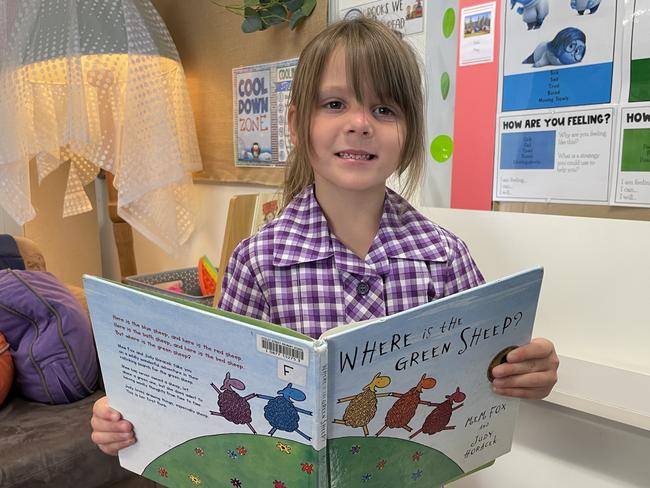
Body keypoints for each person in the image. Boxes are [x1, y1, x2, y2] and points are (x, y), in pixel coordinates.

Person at [90, 17, 559, 457]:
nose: (359, 122)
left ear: (409, 131)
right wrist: (128, 416)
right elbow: (221, 385)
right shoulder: (258, 260)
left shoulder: (444, 256)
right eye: (335, 104)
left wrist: (526, 371)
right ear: (296, 124)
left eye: (384, 108)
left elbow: (486, 370)